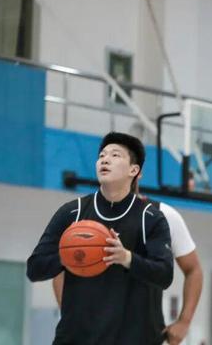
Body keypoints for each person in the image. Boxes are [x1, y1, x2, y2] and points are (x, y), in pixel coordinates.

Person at [27, 132, 174, 344]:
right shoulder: (72, 212)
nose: (105, 160)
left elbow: (165, 275)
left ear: (134, 170)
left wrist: (126, 258)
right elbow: (34, 268)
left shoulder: (150, 218)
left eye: (115, 155)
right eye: (102, 155)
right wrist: (69, 255)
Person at [52, 198, 202, 345]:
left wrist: (184, 321)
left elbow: (193, 269)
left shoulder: (162, 214)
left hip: (142, 336)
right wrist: (70, 317)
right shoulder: (82, 213)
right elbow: (60, 270)